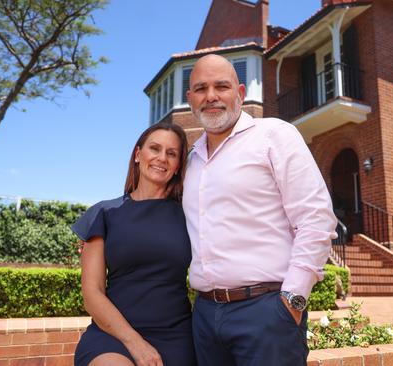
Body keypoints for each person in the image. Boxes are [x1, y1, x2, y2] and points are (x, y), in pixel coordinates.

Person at [183, 54, 337, 365]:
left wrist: (292, 302)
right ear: (190, 100)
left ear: (240, 93)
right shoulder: (191, 160)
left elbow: (316, 218)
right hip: (204, 315)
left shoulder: (274, 135)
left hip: (266, 312)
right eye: (201, 88)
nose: (211, 96)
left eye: (221, 86)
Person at [72, 123, 196, 366]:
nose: (162, 158)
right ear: (138, 155)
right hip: (113, 335)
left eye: (171, 154)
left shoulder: (190, 215)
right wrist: (135, 342)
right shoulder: (104, 213)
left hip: (177, 335)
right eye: (155, 149)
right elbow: (92, 291)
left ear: (178, 166)